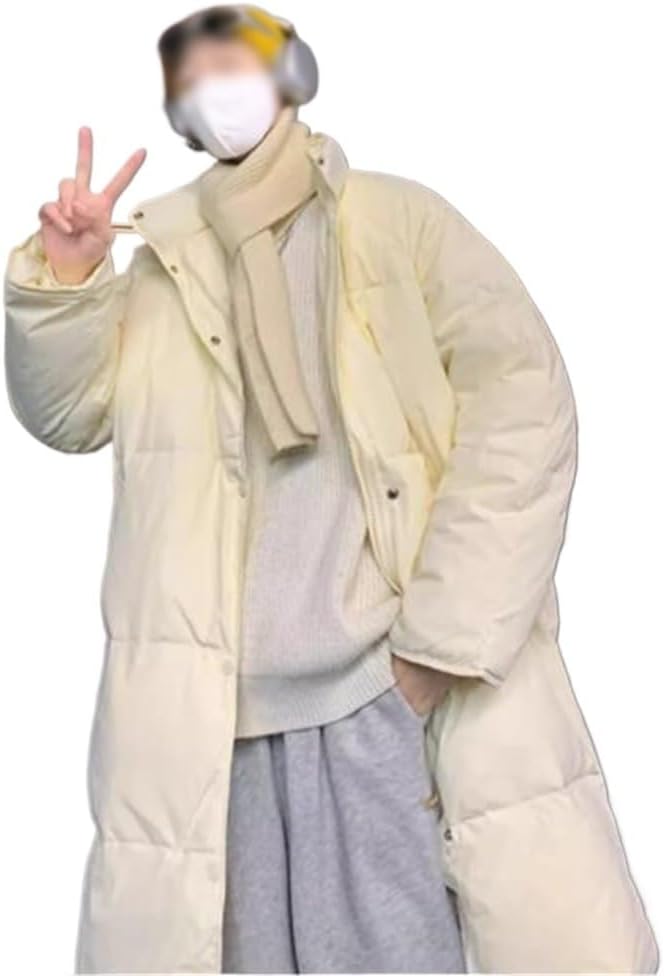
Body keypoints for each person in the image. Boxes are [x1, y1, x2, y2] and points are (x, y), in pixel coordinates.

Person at [3, 4, 658, 975]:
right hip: (212, 727)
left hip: (377, 699)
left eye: (233, 64)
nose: (214, 90)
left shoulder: (397, 222)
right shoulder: (162, 265)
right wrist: (66, 279)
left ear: (289, 72)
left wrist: (436, 646)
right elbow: (68, 415)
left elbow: (525, 402)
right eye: (192, 79)